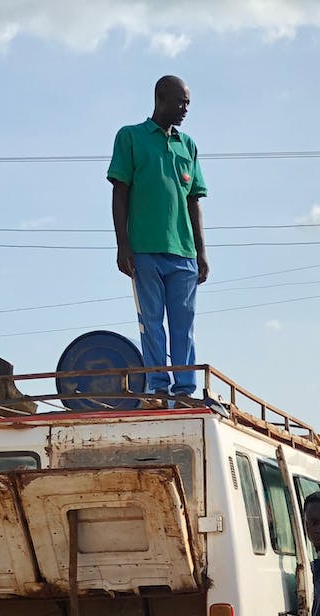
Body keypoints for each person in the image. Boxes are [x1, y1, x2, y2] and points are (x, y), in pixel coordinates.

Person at [108, 75, 210, 407]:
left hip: (183, 252)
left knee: (184, 323)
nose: (184, 109)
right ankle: (158, 387)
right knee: (151, 321)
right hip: (144, 250)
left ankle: (183, 391)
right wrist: (122, 245)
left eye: (188, 104)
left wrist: (202, 252)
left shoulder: (188, 145)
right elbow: (119, 192)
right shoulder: (131, 137)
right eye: (180, 102)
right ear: (159, 97)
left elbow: (194, 200)